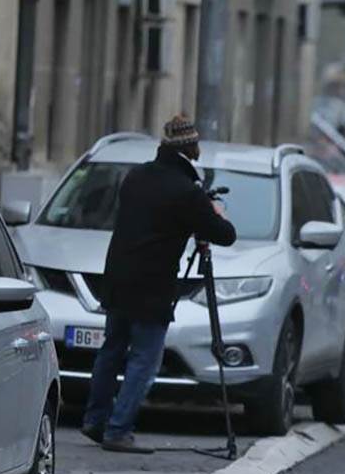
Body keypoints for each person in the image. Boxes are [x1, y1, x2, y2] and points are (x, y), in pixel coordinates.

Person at [82, 115, 237, 454]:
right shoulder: (187, 192)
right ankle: (119, 429)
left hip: (118, 278)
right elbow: (224, 235)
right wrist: (216, 211)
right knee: (144, 359)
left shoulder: (136, 177)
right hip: (152, 287)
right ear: (191, 148)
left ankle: (95, 419)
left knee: (111, 350)